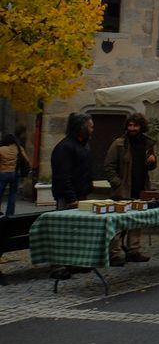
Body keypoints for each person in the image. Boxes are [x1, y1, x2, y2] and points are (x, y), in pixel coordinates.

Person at [103, 112, 157, 265]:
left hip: (141, 187)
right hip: (123, 189)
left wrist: (152, 162)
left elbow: (150, 166)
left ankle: (134, 250)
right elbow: (109, 166)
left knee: (136, 220)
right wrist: (117, 184)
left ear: (141, 126)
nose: (132, 128)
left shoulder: (147, 143)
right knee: (119, 222)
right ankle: (115, 254)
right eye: (130, 125)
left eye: (135, 125)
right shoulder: (119, 144)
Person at [49, 113, 96, 279]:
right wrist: (71, 198)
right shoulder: (65, 147)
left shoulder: (84, 146)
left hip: (82, 194)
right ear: (81, 127)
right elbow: (63, 176)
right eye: (90, 126)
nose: (92, 129)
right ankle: (58, 265)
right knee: (63, 231)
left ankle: (75, 261)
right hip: (68, 197)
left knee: (77, 231)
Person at [0, 133, 33, 218]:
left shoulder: (2, 149)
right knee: (13, 195)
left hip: (3, 173)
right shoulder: (19, 148)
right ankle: (9, 215)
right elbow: (27, 160)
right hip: (15, 174)